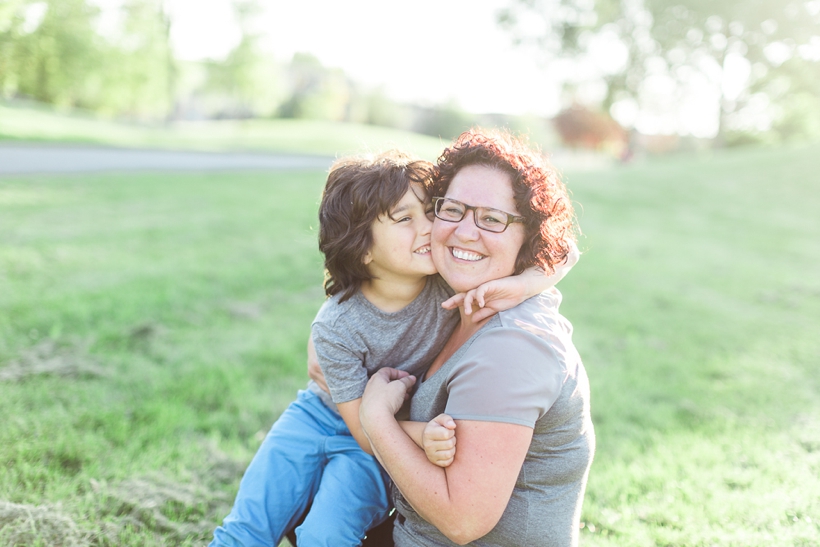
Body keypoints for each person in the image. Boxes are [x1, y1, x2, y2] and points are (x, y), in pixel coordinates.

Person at [210, 149, 577, 547]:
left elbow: (564, 250)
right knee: (249, 526)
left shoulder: (449, 283)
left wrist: (523, 285)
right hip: (321, 417)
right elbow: (363, 426)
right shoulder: (335, 326)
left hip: (373, 442)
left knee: (323, 534)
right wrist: (423, 434)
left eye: (429, 212)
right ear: (362, 249)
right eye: (405, 219)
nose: (429, 228)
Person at [359, 129, 595, 547]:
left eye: (492, 219)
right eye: (453, 210)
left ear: (530, 236)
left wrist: (377, 420)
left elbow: (464, 521)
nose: (466, 233)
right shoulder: (459, 299)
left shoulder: (512, 347)